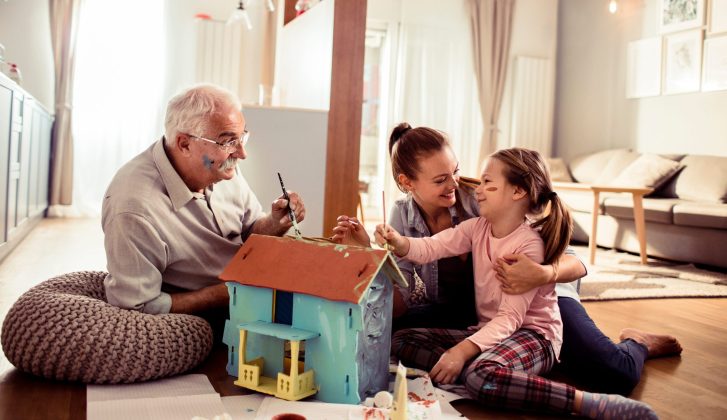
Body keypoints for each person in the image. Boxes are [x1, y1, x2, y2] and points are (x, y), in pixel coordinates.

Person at [332, 122, 680, 396]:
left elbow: (575, 263)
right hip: (472, 309)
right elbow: (402, 299)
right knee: (393, 333)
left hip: (540, 300)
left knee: (614, 372)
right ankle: (489, 372)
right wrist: (371, 254)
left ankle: (637, 342)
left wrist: (540, 275)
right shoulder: (403, 215)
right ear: (408, 183)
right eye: (440, 179)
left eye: (455, 171)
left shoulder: (483, 199)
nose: (455, 182)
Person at [375, 146, 657, 418]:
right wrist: (398, 242)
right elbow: (431, 247)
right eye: (481, 182)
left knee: (481, 375)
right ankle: (494, 378)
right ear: (409, 183)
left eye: (488, 184)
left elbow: (511, 317)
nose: (476, 189)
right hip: (490, 328)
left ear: (518, 191)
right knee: (402, 340)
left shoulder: (528, 243)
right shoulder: (477, 227)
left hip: (533, 333)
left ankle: (584, 401)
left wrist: (461, 352)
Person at [102, 84, 305, 330]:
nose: (242, 153)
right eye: (228, 141)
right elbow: (138, 308)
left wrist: (275, 222)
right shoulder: (134, 209)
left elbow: (250, 231)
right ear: (185, 144)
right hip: (207, 320)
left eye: (242, 138)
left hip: (251, 292)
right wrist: (227, 294)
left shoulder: (221, 168)